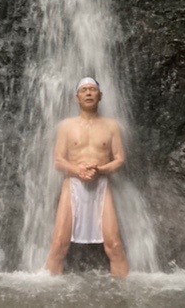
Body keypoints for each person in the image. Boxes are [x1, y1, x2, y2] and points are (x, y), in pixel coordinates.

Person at [45, 77, 129, 278]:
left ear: (100, 96)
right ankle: (46, 293)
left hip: (101, 185)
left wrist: (99, 170)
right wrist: (78, 171)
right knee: (59, 244)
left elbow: (119, 159)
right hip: (72, 185)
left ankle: (126, 292)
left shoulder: (112, 126)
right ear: (77, 97)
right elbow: (58, 160)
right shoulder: (66, 126)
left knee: (115, 245)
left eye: (93, 90)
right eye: (84, 90)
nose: (89, 93)